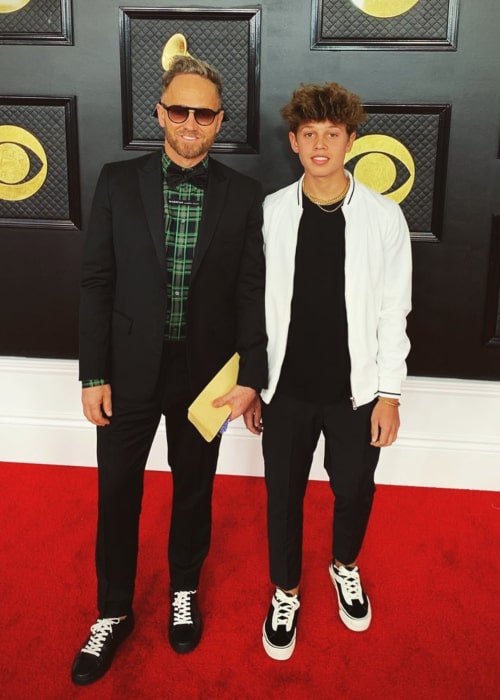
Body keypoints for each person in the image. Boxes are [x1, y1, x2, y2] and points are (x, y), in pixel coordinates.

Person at [71, 55, 267, 686]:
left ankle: (184, 588)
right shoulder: (117, 180)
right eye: (178, 109)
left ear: (219, 123)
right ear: (159, 113)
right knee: (117, 493)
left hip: (205, 377)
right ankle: (113, 610)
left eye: (203, 113)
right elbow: (98, 281)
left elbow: (249, 292)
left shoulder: (243, 195)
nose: (189, 122)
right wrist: (92, 372)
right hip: (125, 372)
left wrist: (251, 376)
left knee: (193, 490)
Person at [259, 82, 412, 660]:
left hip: (358, 392)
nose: (321, 144)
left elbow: (393, 310)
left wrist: (390, 394)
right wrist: (255, 384)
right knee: (283, 497)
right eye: (310, 134)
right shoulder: (272, 212)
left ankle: (344, 565)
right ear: (295, 141)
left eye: (333, 133)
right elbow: (254, 308)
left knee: (353, 489)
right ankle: (287, 591)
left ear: (351, 139)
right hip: (286, 390)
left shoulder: (384, 217)